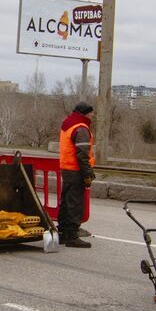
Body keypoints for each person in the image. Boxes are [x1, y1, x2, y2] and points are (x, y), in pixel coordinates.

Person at [56, 100, 95, 248]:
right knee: (75, 203)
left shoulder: (68, 125)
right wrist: (87, 174)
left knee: (66, 201)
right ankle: (72, 236)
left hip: (66, 168)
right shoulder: (81, 128)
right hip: (76, 170)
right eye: (91, 112)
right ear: (84, 113)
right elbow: (82, 155)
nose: (92, 115)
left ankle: (62, 233)